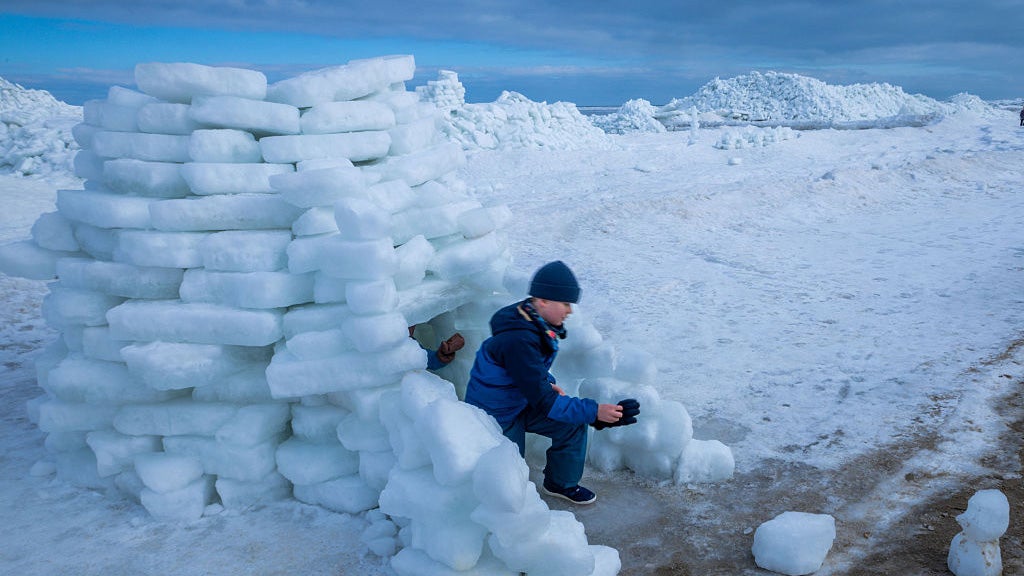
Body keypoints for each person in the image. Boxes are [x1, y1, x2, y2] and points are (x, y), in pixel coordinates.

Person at [464, 261, 639, 505]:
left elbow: (528, 371)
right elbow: (542, 397)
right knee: (509, 475)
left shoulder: (530, 318)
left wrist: (546, 382)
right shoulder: (519, 339)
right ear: (543, 300)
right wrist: (595, 412)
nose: (569, 311)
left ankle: (560, 483)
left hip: (521, 400)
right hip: (497, 414)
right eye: (565, 303)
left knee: (572, 424)